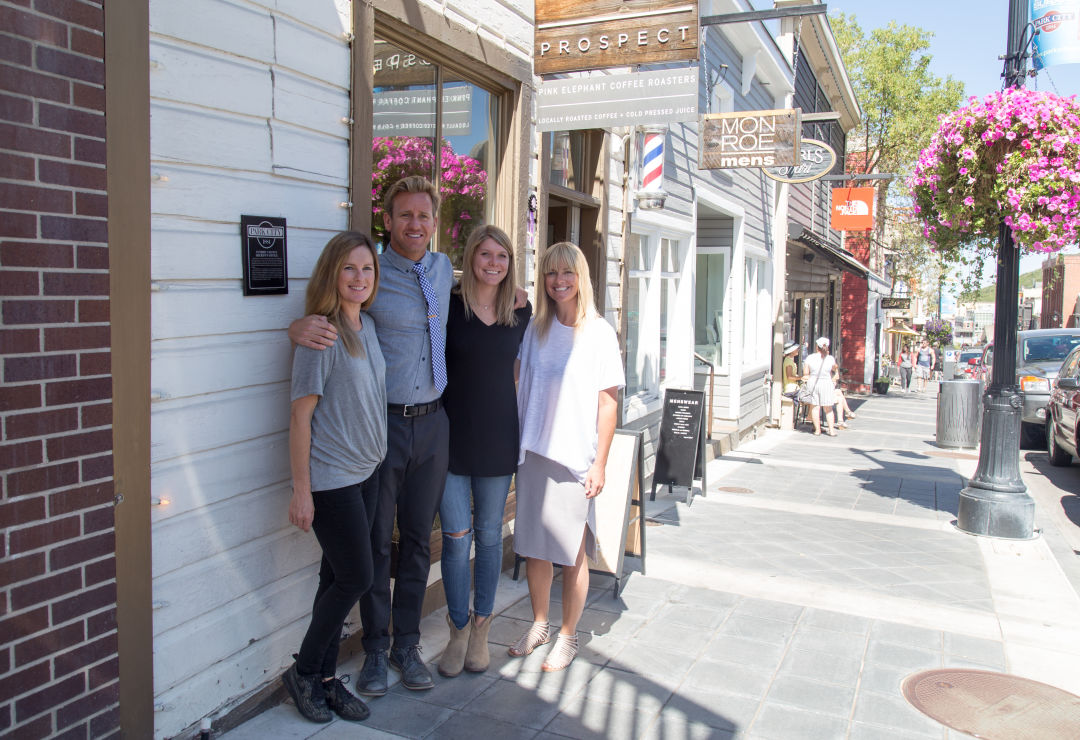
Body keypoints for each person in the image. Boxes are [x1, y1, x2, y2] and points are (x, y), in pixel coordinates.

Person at [290, 176, 451, 695]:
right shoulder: (375, 275)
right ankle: (376, 651)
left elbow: (484, 290)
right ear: (388, 220)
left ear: (434, 221)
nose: (415, 224)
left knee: (419, 545)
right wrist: (296, 328)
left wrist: (515, 290)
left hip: (433, 422)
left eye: (424, 215)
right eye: (405, 215)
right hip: (383, 427)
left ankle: (408, 642)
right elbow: (333, 313)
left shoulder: (444, 269)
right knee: (378, 545)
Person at [283, 232, 385, 724]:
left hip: (367, 473)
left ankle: (325, 680)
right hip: (332, 479)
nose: (359, 278)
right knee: (357, 577)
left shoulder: (366, 325)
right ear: (332, 273)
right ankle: (303, 672)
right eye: (349, 269)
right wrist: (302, 491)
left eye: (367, 269)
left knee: (334, 576)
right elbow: (300, 417)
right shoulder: (320, 334)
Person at [508, 242, 624, 673]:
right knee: (536, 550)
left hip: (576, 459)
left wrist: (600, 464)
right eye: (552, 273)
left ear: (582, 278)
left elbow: (608, 404)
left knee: (572, 553)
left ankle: (568, 634)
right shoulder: (535, 328)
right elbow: (519, 381)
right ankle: (539, 624)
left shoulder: (598, 333)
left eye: (567, 273)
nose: (559, 281)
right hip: (535, 452)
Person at [437, 225, 531, 678]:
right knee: (457, 538)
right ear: (471, 256)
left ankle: (481, 629)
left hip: (498, 435)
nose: (494, 263)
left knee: (491, 535)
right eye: (486, 255)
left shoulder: (522, 310)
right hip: (450, 436)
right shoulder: (448, 305)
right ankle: (456, 629)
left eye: (502, 256)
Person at [803, 336, 838, 436]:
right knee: (828, 408)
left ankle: (817, 430)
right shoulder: (830, 358)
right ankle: (831, 430)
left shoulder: (810, 358)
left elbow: (806, 372)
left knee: (815, 407)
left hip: (813, 382)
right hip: (826, 383)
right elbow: (835, 369)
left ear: (816, 347)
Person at [781, 341, 802, 426]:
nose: (798, 350)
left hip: (793, 387)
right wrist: (801, 378)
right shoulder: (788, 362)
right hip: (791, 388)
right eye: (796, 349)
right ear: (791, 350)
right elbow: (789, 376)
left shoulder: (790, 360)